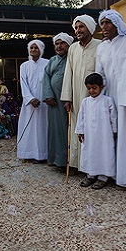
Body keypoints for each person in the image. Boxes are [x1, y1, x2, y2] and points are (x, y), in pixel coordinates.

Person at [95, 10, 126, 189]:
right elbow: (100, 74)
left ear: (117, 24)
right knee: (109, 135)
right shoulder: (102, 47)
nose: (104, 26)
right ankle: (108, 173)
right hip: (108, 96)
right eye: (102, 23)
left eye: (108, 22)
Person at [60, 15, 101, 170]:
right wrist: (67, 98)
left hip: (95, 97)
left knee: (94, 130)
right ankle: (79, 165)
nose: (78, 30)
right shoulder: (73, 48)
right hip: (76, 98)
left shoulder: (100, 45)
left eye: (81, 27)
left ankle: (94, 168)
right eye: (76, 27)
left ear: (90, 28)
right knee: (78, 129)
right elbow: (68, 73)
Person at [75, 73, 117, 190]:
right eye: (89, 88)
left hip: (104, 134)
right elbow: (81, 117)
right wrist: (80, 131)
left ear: (101, 87)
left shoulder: (107, 101)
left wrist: (114, 130)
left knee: (104, 153)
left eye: (94, 88)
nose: (91, 91)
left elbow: (113, 117)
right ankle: (90, 175)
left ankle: (103, 177)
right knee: (90, 152)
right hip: (89, 134)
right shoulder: (85, 102)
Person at [42, 32, 73, 169]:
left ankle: (69, 162)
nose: (59, 46)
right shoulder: (52, 61)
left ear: (69, 44)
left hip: (69, 101)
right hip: (54, 102)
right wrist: (48, 95)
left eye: (62, 43)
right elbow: (46, 77)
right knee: (55, 130)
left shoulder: (73, 57)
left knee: (68, 130)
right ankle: (55, 159)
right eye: (57, 43)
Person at [17, 40, 49, 163]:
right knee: (29, 127)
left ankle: (42, 154)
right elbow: (23, 84)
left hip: (43, 102)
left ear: (41, 49)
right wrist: (30, 99)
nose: (33, 50)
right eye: (31, 47)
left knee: (42, 127)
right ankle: (27, 153)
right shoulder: (24, 66)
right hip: (29, 104)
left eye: (36, 48)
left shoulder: (47, 63)